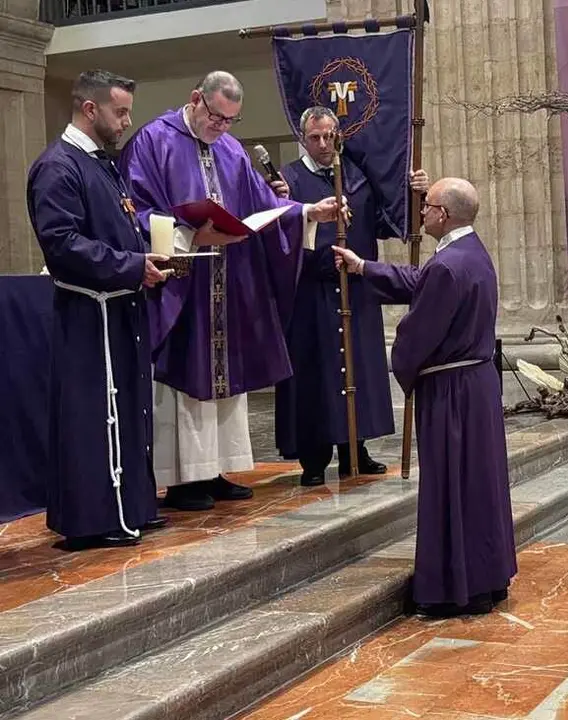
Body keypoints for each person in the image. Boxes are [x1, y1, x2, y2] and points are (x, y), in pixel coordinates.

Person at [118, 71, 342, 512]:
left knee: (224, 375)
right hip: (182, 284)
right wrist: (188, 234)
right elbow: (135, 210)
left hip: (227, 281)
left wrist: (305, 211)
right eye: (217, 118)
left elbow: (262, 203)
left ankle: (216, 469)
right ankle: (183, 479)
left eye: (231, 121)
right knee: (187, 375)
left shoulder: (231, 149)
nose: (222, 128)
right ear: (196, 98)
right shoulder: (152, 141)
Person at [333, 177, 516, 617]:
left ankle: (456, 589)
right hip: (477, 385)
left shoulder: (448, 266)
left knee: (451, 485)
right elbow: (420, 281)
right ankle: (486, 579)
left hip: (451, 393)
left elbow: (418, 333)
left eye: (427, 205)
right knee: (477, 486)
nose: (421, 213)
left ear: (444, 215)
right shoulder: (471, 253)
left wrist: (403, 360)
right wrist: (364, 267)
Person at [26, 70, 172, 549]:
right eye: (120, 111)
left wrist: (143, 260)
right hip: (89, 315)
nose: (127, 121)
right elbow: (63, 245)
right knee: (95, 414)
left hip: (120, 308)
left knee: (129, 410)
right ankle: (94, 518)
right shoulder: (58, 167)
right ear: (91, 110)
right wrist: (132, 265)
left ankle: (132, 506)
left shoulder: (101, 165)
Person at [274, 106, 430, 485]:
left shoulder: (357, 176)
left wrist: (416, 193)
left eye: (330, 135)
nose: (324, 144)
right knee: (315, 373)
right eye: (315, 138)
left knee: (356, 368)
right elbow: (275, 230)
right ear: (303, 137)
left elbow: (387, 221)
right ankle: (313, 459)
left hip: (356, 288)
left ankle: (354, 449)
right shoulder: (288, 180)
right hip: (310, 292)